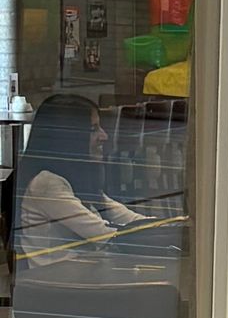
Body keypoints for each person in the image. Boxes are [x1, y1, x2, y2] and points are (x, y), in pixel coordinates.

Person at [15, 94, 140, 253]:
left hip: (88, 265)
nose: (104, 136)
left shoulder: (74, 177)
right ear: (68, 137)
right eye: (93, 129)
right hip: (63, 268)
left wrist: (165, 225)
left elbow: (126, 217)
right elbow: (105, 234)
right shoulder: (47, 183)